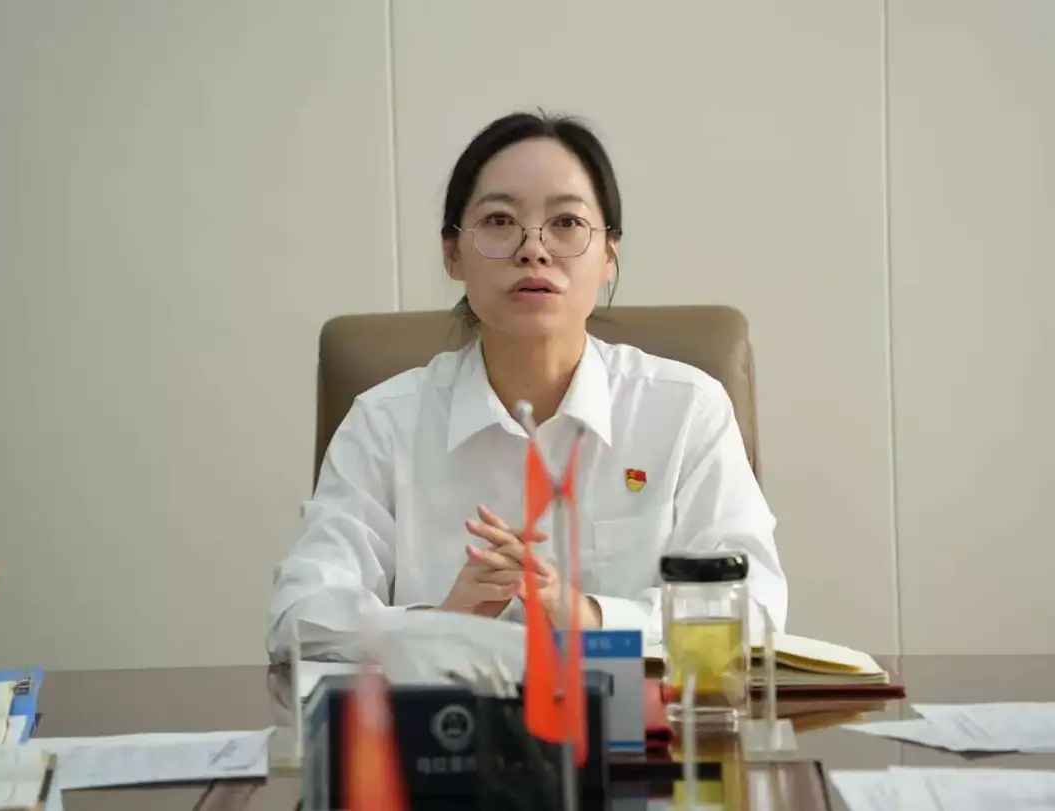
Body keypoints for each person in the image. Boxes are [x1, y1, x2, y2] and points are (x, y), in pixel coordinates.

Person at [267, 111, 787, 661]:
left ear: (609, 255)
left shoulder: (685, 411)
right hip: (449, 714)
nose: (533, 249)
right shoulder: (385, 423)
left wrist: (588, 617)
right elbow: (300, 617)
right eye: (499, 220)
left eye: (566, 223)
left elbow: (753, 608)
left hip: (637, 716)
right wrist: (444, 623)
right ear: (451, 254)